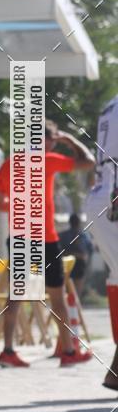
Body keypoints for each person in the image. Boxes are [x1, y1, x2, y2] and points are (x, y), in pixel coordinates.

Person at [0, 120, 96, 368]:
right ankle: (68, 352)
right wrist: (69, 141)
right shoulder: (48, 160)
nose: (45, 143)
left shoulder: (10, 164)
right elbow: (88, 161)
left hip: (22, 239)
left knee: (17, 296)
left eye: (47, 139)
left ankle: (9, 351)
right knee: (56, 295)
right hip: (43, 240)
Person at [84, 94, 118, 392]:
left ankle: (115, 372)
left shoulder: (110, 103)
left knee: (116, 282)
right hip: (113, 201)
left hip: (101, 200)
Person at [58, 213, 94, 298]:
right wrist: (87, 261)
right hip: (79, 262)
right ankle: (75, 305)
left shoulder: (63, 235)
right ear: (79, 222)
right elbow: (90, 249)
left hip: (67, 262)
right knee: (77, 289)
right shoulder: (84, 235)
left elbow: (59, 249)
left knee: (67, 288)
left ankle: (71, 305)